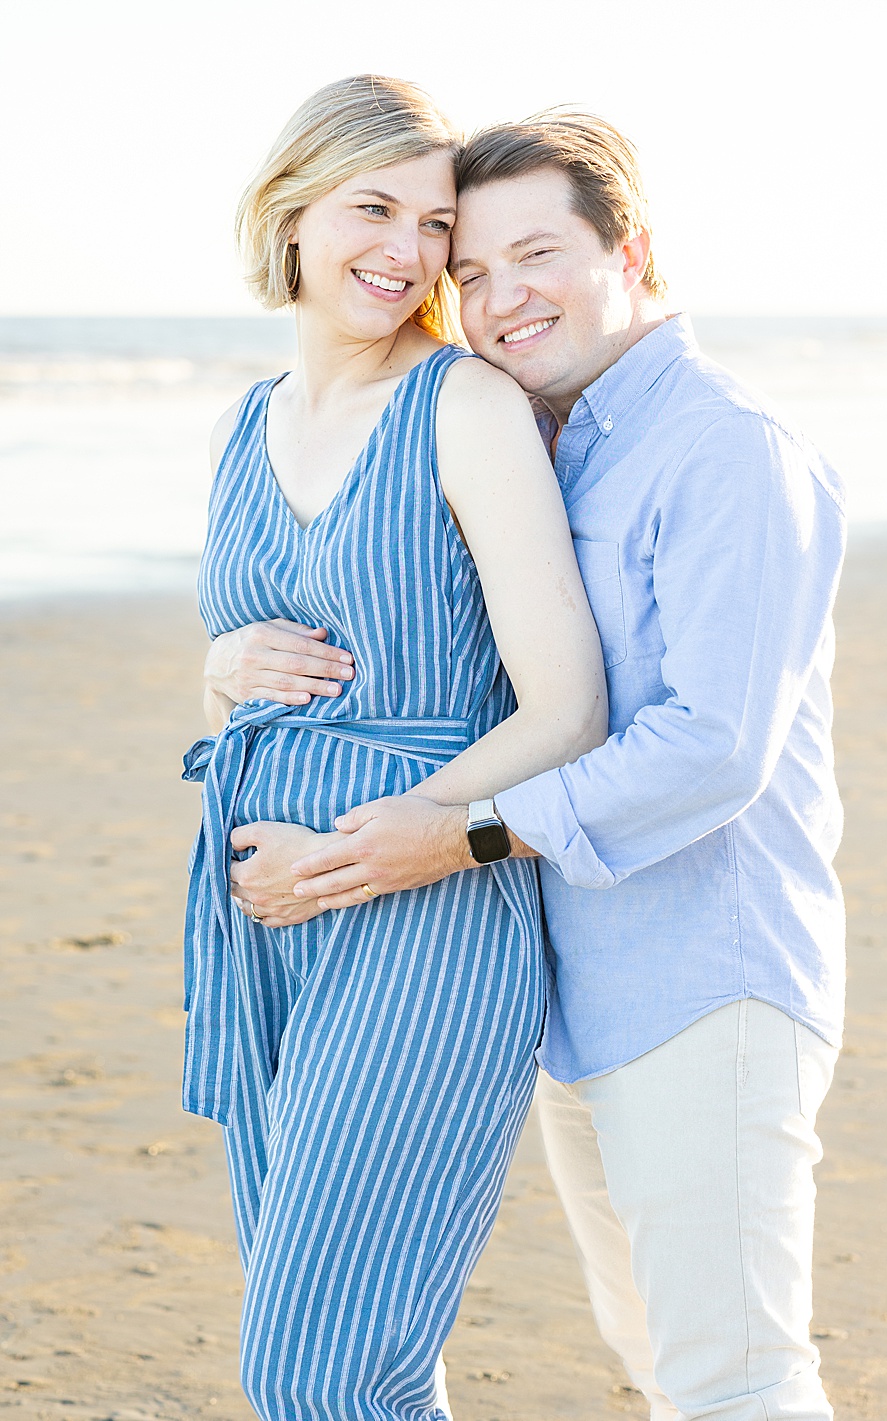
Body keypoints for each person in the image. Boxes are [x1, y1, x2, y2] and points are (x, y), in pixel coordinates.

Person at [219, 111, 849, 1419]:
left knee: (735, 1377)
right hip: (573, 983)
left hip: (705, 979)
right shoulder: (560, 436)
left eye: (537, 255)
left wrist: (463, 831)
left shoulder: (726, 447)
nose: (501, 299)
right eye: (477, 270)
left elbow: (712, 744)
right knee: (653, 1354)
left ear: (637, 251)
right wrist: (226, 666)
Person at [185, 76, 606, 1419]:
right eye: (377, 207)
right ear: (292, 211)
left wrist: (375, 844)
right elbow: (259, 687)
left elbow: (566, 712)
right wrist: (216, 671)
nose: (409, 251)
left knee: (311, 1369)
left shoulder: (464, 408)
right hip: (266, 920)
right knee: (360, 1365)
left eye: (435, 225)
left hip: (425, 911)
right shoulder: (239, 427)